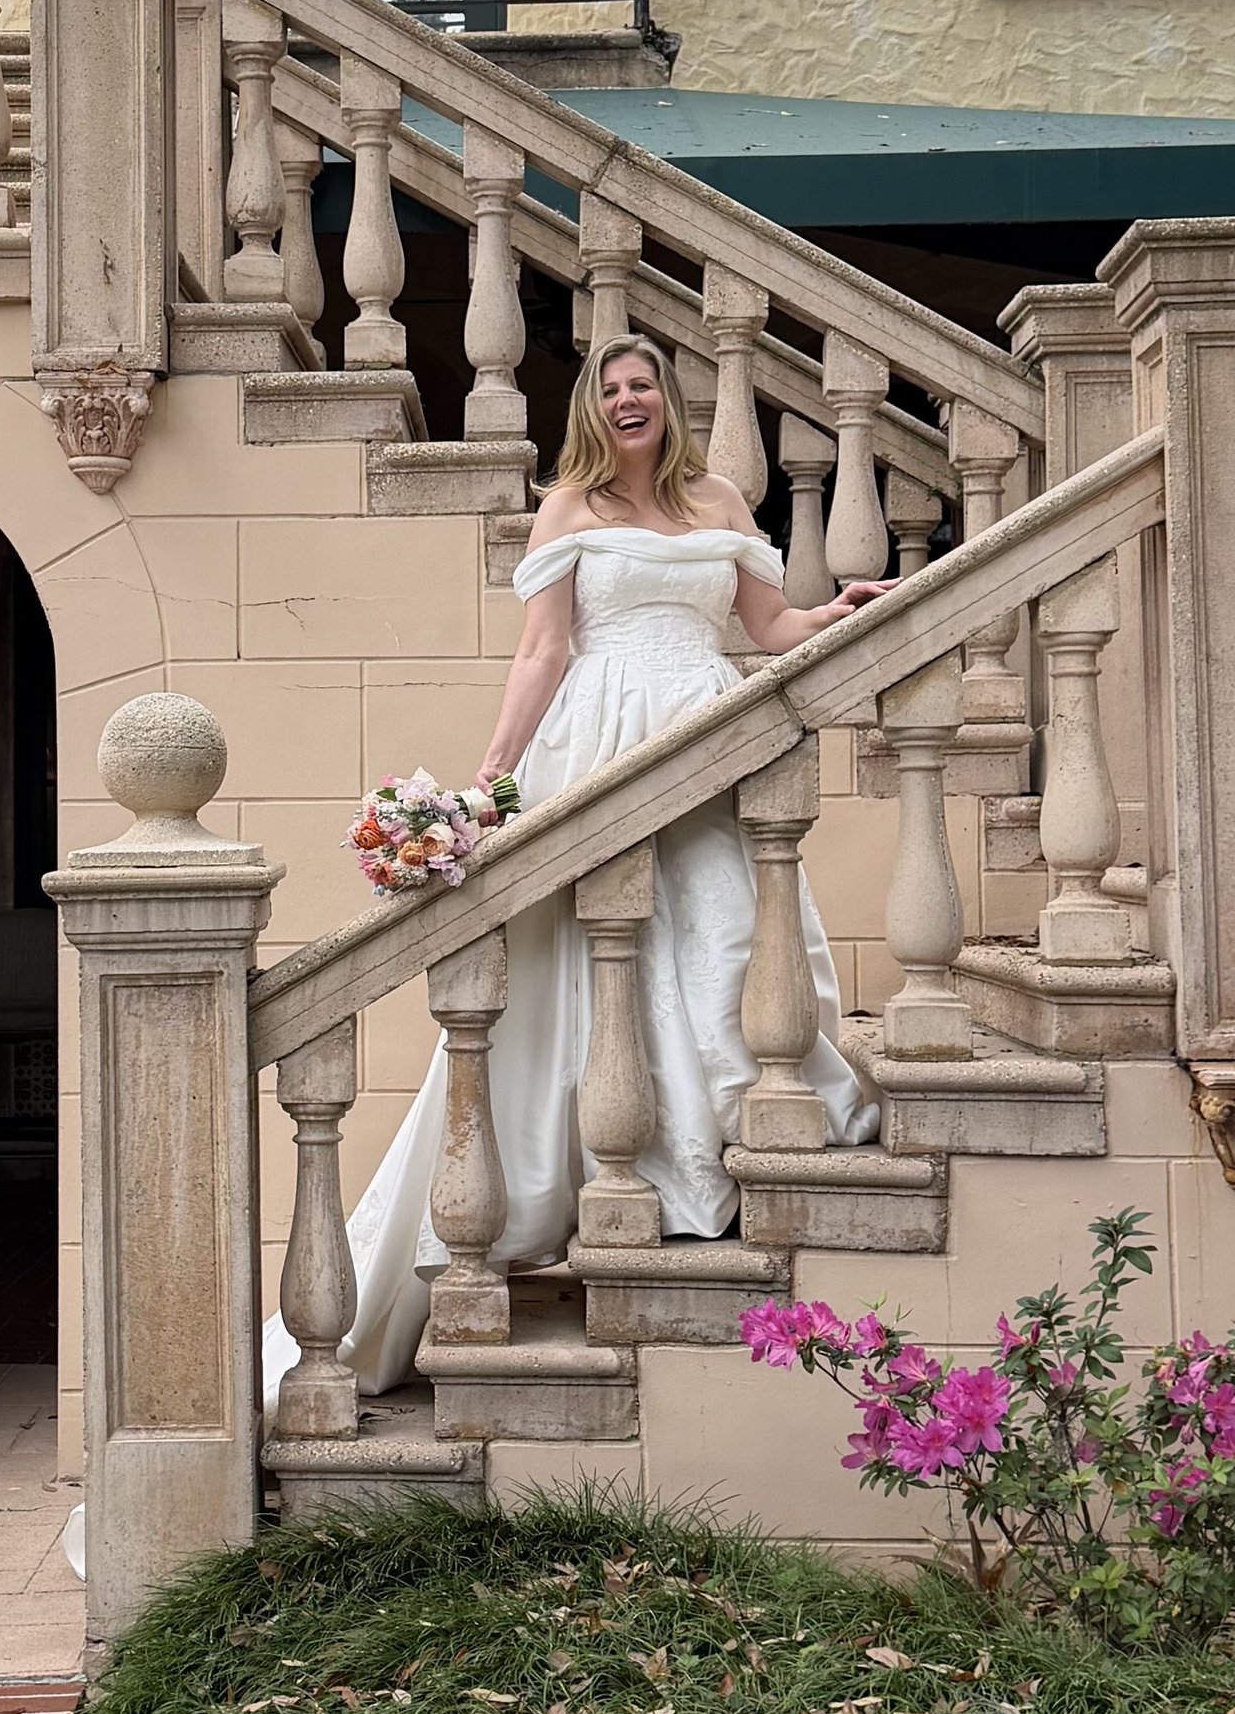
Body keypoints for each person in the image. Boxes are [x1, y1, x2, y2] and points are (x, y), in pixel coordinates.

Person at [265, 335, 888, 1405]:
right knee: (605, 953)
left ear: (669, 398)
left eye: (643, 383)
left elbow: (763, 625)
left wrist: (828, 618)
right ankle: (628, 1171)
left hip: (705, 728)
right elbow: (544, 650)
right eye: (609, 389)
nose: (627, 398)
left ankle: (714, 1164)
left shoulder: (726, 501)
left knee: (725, 932)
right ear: (590, 411)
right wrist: (492, 781)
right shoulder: (568, 510)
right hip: (601, 735)